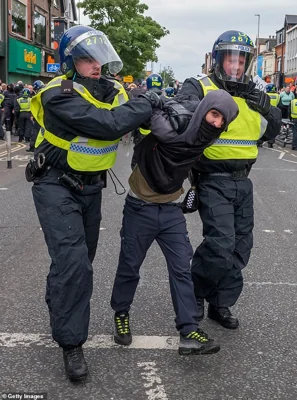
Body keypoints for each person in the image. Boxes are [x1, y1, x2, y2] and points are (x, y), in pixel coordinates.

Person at [28, 24, 161, 382]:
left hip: (90, 187)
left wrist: (159, 107)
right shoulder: (59, 93)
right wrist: (144, 104)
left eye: (99, 57)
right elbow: (107, 123)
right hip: (55, 184)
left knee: (78, 262)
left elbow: (139, 121)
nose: (96, 64)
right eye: (87, 58)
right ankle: (71, 344)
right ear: (71, 61)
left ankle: (61, 299)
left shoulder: (114, 89)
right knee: (74, 265)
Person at [110, 89, 239, 355]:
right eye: (214, 114)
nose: (215, 123)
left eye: (221, 121)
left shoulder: (207, 139)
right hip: (139, 208)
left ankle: (188, 330)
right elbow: (150, 113)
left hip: (170, 211)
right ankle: (121, 313)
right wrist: (150, 100)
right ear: (205, 110)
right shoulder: (172, 125)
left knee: (182, 269)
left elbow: (191, 162)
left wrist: (194, 189)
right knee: (130, 266)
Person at [177, 30, 282, 329]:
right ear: (217, 59)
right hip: (211, 178)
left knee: (240, 247)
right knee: (221, 244)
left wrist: (265, 106)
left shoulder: (256, 89)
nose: (235, 66)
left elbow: (272, 131)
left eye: (241, 60)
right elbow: (182, 115)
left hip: (242, 180)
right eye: (229, 59)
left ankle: (220, 303)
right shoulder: (199, 85)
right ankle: (196, 292)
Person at [257, 84, 280, 148]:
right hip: (274, 111)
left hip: (265, 111)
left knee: (263, 126)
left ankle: (260, 142)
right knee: (271, 127)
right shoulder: (277, 96)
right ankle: (270, 143)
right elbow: (279, 104)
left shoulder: (265, 95)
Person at [26, 81, 45, 152]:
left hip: (38, 117)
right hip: (44, 117)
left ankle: (33, 146)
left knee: (35, 132)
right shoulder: (46, 92)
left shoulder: (39, 94)